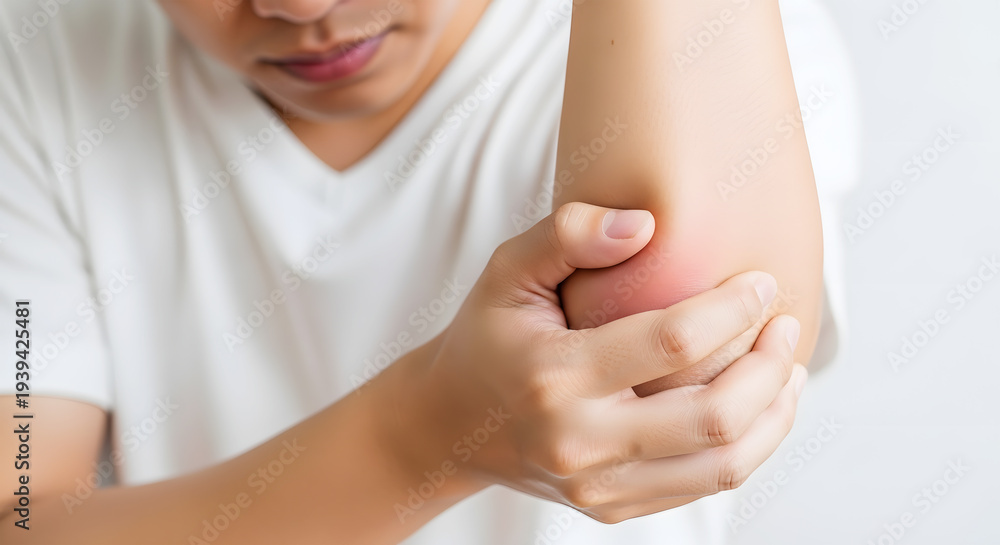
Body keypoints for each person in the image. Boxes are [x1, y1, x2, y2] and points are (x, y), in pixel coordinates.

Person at [0, 0, 857, 543]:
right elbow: (20, 516)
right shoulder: (40, 63)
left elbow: (690, 371)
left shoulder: (708, 36)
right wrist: (429, 433)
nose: (303, 8)